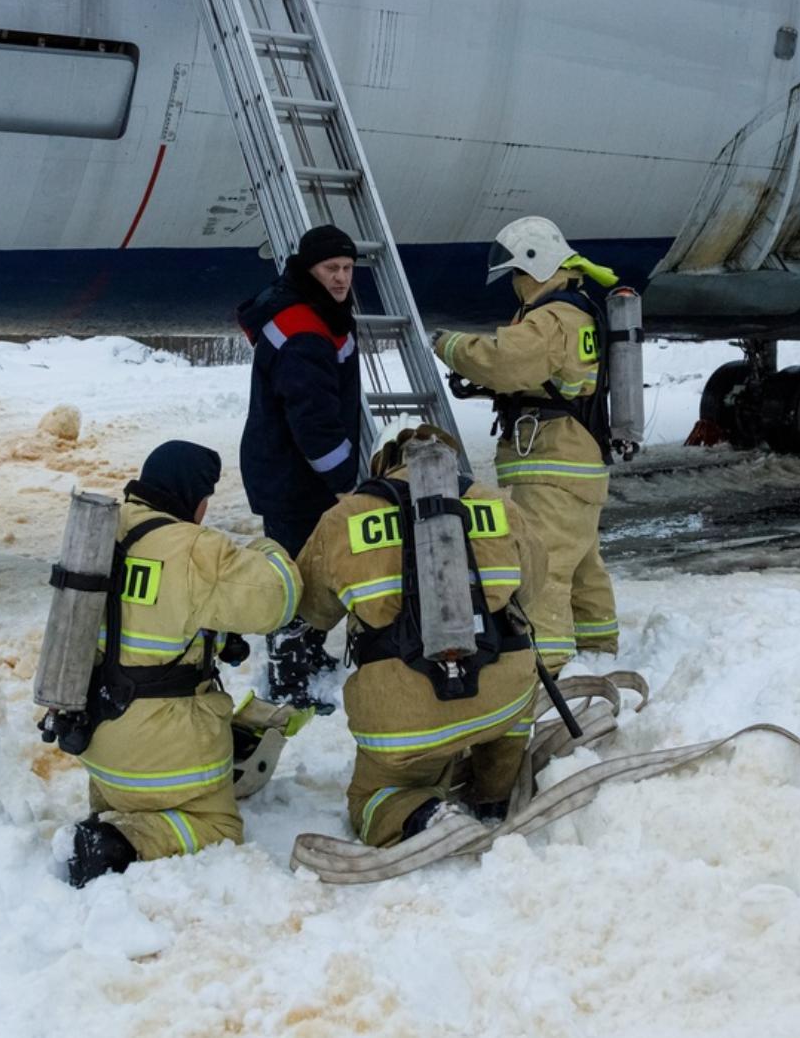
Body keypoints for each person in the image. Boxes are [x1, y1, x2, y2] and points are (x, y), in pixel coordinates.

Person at [67, 440, 302, 887]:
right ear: (194, 498)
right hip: (163, 753)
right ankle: (117, 841)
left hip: (98, 745)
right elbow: (280, 599)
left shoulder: (103, 532)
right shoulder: (193, 549)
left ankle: (121, 813)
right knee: (218, 826)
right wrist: (266, 547)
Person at [296, 425, 543, 845]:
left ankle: (421, 813)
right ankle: (495, 794)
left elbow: (313, 611)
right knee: (511, 705)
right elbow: (533, 587)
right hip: (504, 698)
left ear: (382, 461)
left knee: (374, 798)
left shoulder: (344, 519)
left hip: (406, 719)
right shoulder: (495, 504)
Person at [430, 216, 621, 667]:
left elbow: (505, 360)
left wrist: (450, 345)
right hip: (578, 460)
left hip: (554, 463)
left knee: (545, 568)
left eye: (516, 274)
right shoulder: (576, 310)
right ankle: (600, 653)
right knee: (583, 564)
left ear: (535, 266)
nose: (514, 284)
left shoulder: (554, 317)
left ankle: (547, 667)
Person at [236, 224, 363, 708]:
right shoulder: (304, 328)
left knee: (311, 572)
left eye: (348, 269)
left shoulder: (318, 314)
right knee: (293, 580)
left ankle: (307, 655)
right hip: (294, 479)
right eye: (331, 269)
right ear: (309, 270)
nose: (340, 278)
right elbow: (312, 420)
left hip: (293, 473)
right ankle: (289, 678)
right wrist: (344, 481)